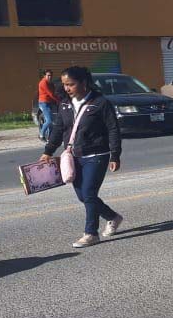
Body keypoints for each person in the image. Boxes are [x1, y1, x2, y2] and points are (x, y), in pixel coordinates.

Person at [39, 66, 123, 248]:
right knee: (83, 196)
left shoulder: (100, 103)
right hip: (74, 156)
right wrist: (48, 151)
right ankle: (112, 216)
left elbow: (113, 129)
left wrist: (115, 155)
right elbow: (58, 129)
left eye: (71, 84)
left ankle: (91, 233)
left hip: (97, 154)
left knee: (89, 193)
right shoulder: (64, 104)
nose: (67, 88)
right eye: (64, 84)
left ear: (84, 83)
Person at [36, 70, 59, 142]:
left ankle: (50, 138)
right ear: (44, 76)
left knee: (51, 121)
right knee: (49, 121)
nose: (50, 77)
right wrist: (58, 100)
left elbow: (54, 93)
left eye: (51, 75)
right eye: (48, 75)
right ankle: (41, 135)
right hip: (44, 103)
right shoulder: (43, 83)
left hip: (50, 103)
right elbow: (50, 93)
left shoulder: (51, 83)